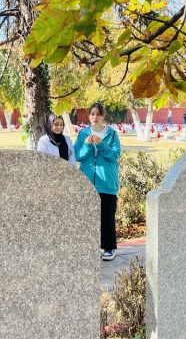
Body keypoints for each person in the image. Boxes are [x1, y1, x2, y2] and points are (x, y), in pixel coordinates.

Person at [74, 102, 121, 261]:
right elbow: (78, 155)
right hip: (87, 180)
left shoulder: (112, 134)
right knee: (88, 215)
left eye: (98, 114)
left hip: (107, 181)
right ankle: (89, 247)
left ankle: (109, 248)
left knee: (107, 215)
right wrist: (87, 146)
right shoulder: (83, 134)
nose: (95, 117)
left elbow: (114, 155)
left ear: (103, 116)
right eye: (92, 114)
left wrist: (101, 145)